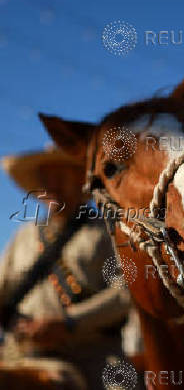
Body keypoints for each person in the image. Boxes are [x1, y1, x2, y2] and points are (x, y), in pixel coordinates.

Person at [0, 147, 131, 390]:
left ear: (82, 182)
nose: (51, 186)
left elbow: (125, 292)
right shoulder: (23, 236)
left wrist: (69, 323)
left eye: (60, 177)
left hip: (92, 355)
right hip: (21, 352)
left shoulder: (110, 231)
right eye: (45, 179)